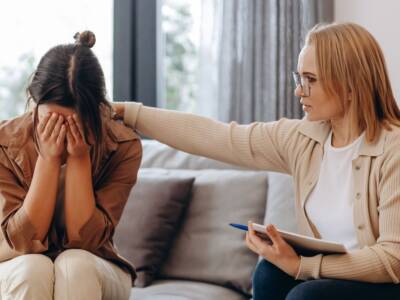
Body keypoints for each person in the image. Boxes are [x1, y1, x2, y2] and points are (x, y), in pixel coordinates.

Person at [113, 22, 400, 299]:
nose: (299, 91)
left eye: (311, 80)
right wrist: (128, 113)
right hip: (333, 280)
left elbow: (392, 258)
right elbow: (217, 137)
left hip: (386, 281)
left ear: (350, 85)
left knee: (307, 295)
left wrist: (304, 267)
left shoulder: (393, 148)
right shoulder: (302, 139)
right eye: (299, 78)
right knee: (269, 272)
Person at [0, 31, 142, 300]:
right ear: (33, 102)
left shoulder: (123, 145)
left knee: (75, 263)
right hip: (15, 263)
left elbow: (86, 242)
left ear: (99, 110)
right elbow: (21, 241)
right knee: (33, 268)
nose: (63, 132)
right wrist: (48, 160)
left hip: (95, 266)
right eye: (51, 120)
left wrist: (79, 159)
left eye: (76, 122)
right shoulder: (3, 143)